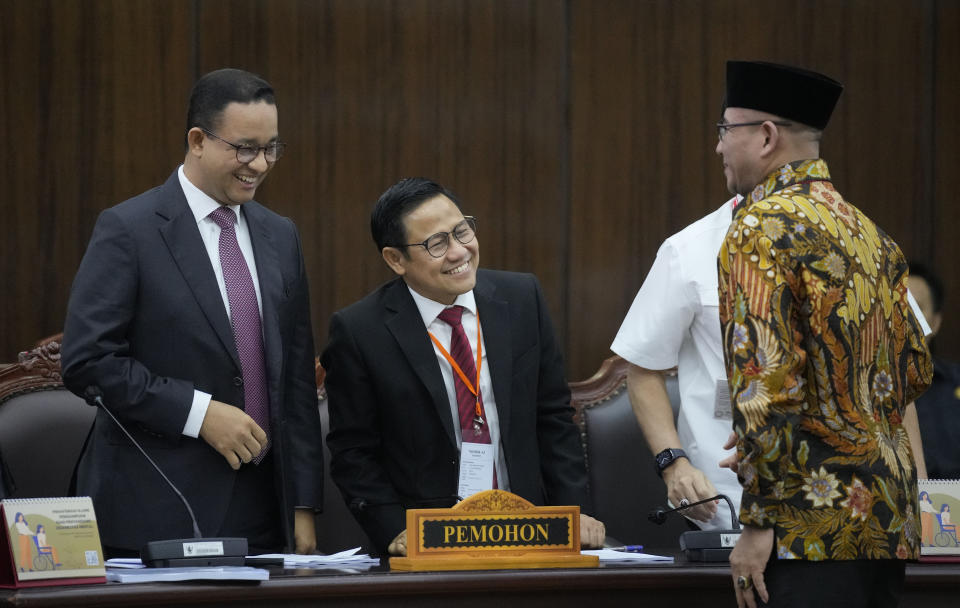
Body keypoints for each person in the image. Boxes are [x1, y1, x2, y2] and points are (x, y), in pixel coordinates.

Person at [61, 68, 323, 557]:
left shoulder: (281, 236)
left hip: (266, 507)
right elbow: (88, 362)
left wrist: (302, 507)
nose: (260, 164)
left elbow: (296, 385)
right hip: (158, 502)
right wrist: (198, 413)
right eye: (244, 148)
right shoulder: (129, 230)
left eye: (271, 148)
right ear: (198, 140)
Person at [715, 60, 932, 608]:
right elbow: (915, 368)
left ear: (764, 136)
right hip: (883, 522)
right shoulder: (872, 234)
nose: (718, 148)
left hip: (804, 529)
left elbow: (766, 381)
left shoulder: (759, 226)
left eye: (724, 130)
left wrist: (759, 520)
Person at [322, 177, 605, 556]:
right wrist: (393, 530)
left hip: (528, 530)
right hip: (427, 540)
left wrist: (575, 512)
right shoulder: (361, 331)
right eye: (436, 244)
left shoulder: (521, 299)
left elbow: (552, 416)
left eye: (462, 231)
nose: (459, 252)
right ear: (395, 259)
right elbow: (353, 452)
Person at [612, 195, 742, 531]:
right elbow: (643, 368)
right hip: (722, 507)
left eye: (727, 137)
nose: (719, 148)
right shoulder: (690, 248)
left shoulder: (862, 245)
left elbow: (897, 382)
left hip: (839, 509)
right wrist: (674, 464)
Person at [909, 262, 960, 479]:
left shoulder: (955, 382)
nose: (905, 318)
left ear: (936, 323)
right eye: (896, 306)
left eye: (916, 308)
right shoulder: (861, 385)